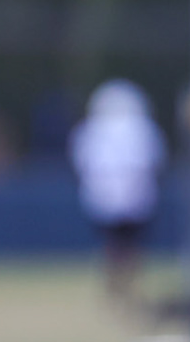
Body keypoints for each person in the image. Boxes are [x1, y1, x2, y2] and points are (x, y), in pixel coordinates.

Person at [69, 79, 167, 304]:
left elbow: (81, 164)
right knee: (131, 246)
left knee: (113, 246)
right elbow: (154, 163)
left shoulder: (90, 129)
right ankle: (127, 287)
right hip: (136, 197)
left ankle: (116, 288)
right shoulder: (142, 128)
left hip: (103, 197)